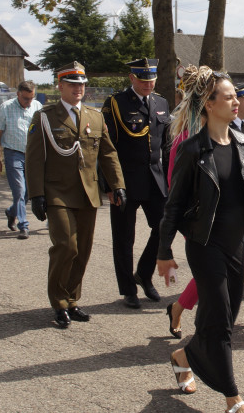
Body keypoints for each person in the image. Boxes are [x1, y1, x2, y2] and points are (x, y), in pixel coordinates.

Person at [156, 70, 244, 413]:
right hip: (205, 246)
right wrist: (164, 252)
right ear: (209, 104)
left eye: (237, 96)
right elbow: (173, 205)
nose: (237, 102)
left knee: (222, 318)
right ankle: (232, 398)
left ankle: (183, 355)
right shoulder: (193, 149)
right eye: (230, 96)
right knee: (220, 322)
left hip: (237, 245)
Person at [26, 61, 125, 329]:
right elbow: (34, 159)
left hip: (87, 192)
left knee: (82, 250)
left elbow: (108, 153)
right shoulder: (45, 117)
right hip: (57, 192)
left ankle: (71, 299)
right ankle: (58, 302)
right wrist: (36, 194)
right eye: (72, 84)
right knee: (66, 247)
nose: (78, 89)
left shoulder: (95, 116)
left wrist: (118, 185)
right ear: (60, 87)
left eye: (81, 85)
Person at [101, 58, 170, 308]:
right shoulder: (116, 104)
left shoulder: (161, 102)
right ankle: (128, 289)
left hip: (155, 179)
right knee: (123, 238)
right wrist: (109, 185)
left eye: (151, 79)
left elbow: (166, 145)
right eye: (143, 80)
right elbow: (105, 147)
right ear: (132, 79)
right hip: (125, 181)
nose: (148, 84)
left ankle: (143, 273)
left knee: (164, 227)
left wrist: (171, 179)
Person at [0, 80, 42, 239]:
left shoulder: (37, 106)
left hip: (32, 154)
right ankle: (23, 225)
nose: (29, 102)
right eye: (26, 98)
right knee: (19, 190)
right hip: (13, 153)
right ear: (18, 94)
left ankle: (12, 211)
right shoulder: (6, 108)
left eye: (31, 98)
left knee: (29, 191)